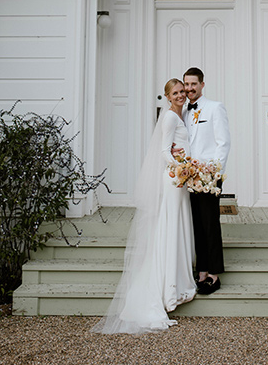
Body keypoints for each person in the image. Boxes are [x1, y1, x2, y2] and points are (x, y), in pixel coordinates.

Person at [91, 78, 196, 334]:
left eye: (183, 91)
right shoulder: (170, 118)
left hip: (180, 180)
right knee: (171, 227)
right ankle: (168, 289)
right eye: (176, 92)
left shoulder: (179, 115)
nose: (181, 95)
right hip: (174, 179)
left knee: (178, 225)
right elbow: (163, 151)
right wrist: (181, 169)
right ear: (168, 96)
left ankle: (178, 283)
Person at [183, 67, 230, 295]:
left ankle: (214, 274)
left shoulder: (214, 108)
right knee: (196, 225)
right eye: (187, 85)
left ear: (202, 84)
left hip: (209, 176)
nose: (190, 88)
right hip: (189, 176)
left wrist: (215, 172)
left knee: (210, 224)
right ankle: (201, 271)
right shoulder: (183, 111)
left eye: (194, 84)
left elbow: (223, 142)